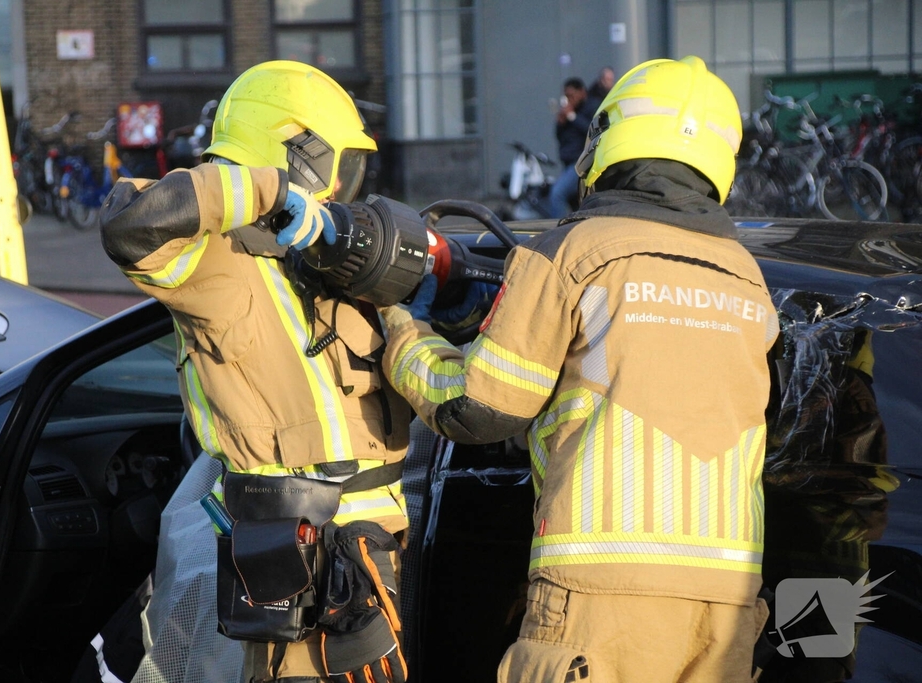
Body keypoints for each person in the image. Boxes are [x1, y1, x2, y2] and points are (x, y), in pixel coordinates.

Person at [377, 55, 778, 682]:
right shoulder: (747, 281)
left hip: (600, 600)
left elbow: (477, 408)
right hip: (725, 608)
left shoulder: (573, 255)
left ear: (609, 136)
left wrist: (403, 330)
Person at [99, 60, 411, 683]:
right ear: (297, 151)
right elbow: (129, 223)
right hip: (298, 568)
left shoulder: (326, 253)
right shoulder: (212, 260)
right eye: (338, 167)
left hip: (377, 565)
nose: (343, 189)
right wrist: (268, 190)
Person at [546, 77, 597, 219]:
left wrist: (572, 117)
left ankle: (559, 230)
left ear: (582, 93)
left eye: (571, 96)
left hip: (581, 163)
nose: (569, 100)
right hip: (568, 163)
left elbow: (592, 131)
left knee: (557, 194)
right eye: (566, 96)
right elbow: (559, 137)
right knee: (575, 202)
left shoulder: (591, 108)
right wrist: (561, 123)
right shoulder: (568, 114)